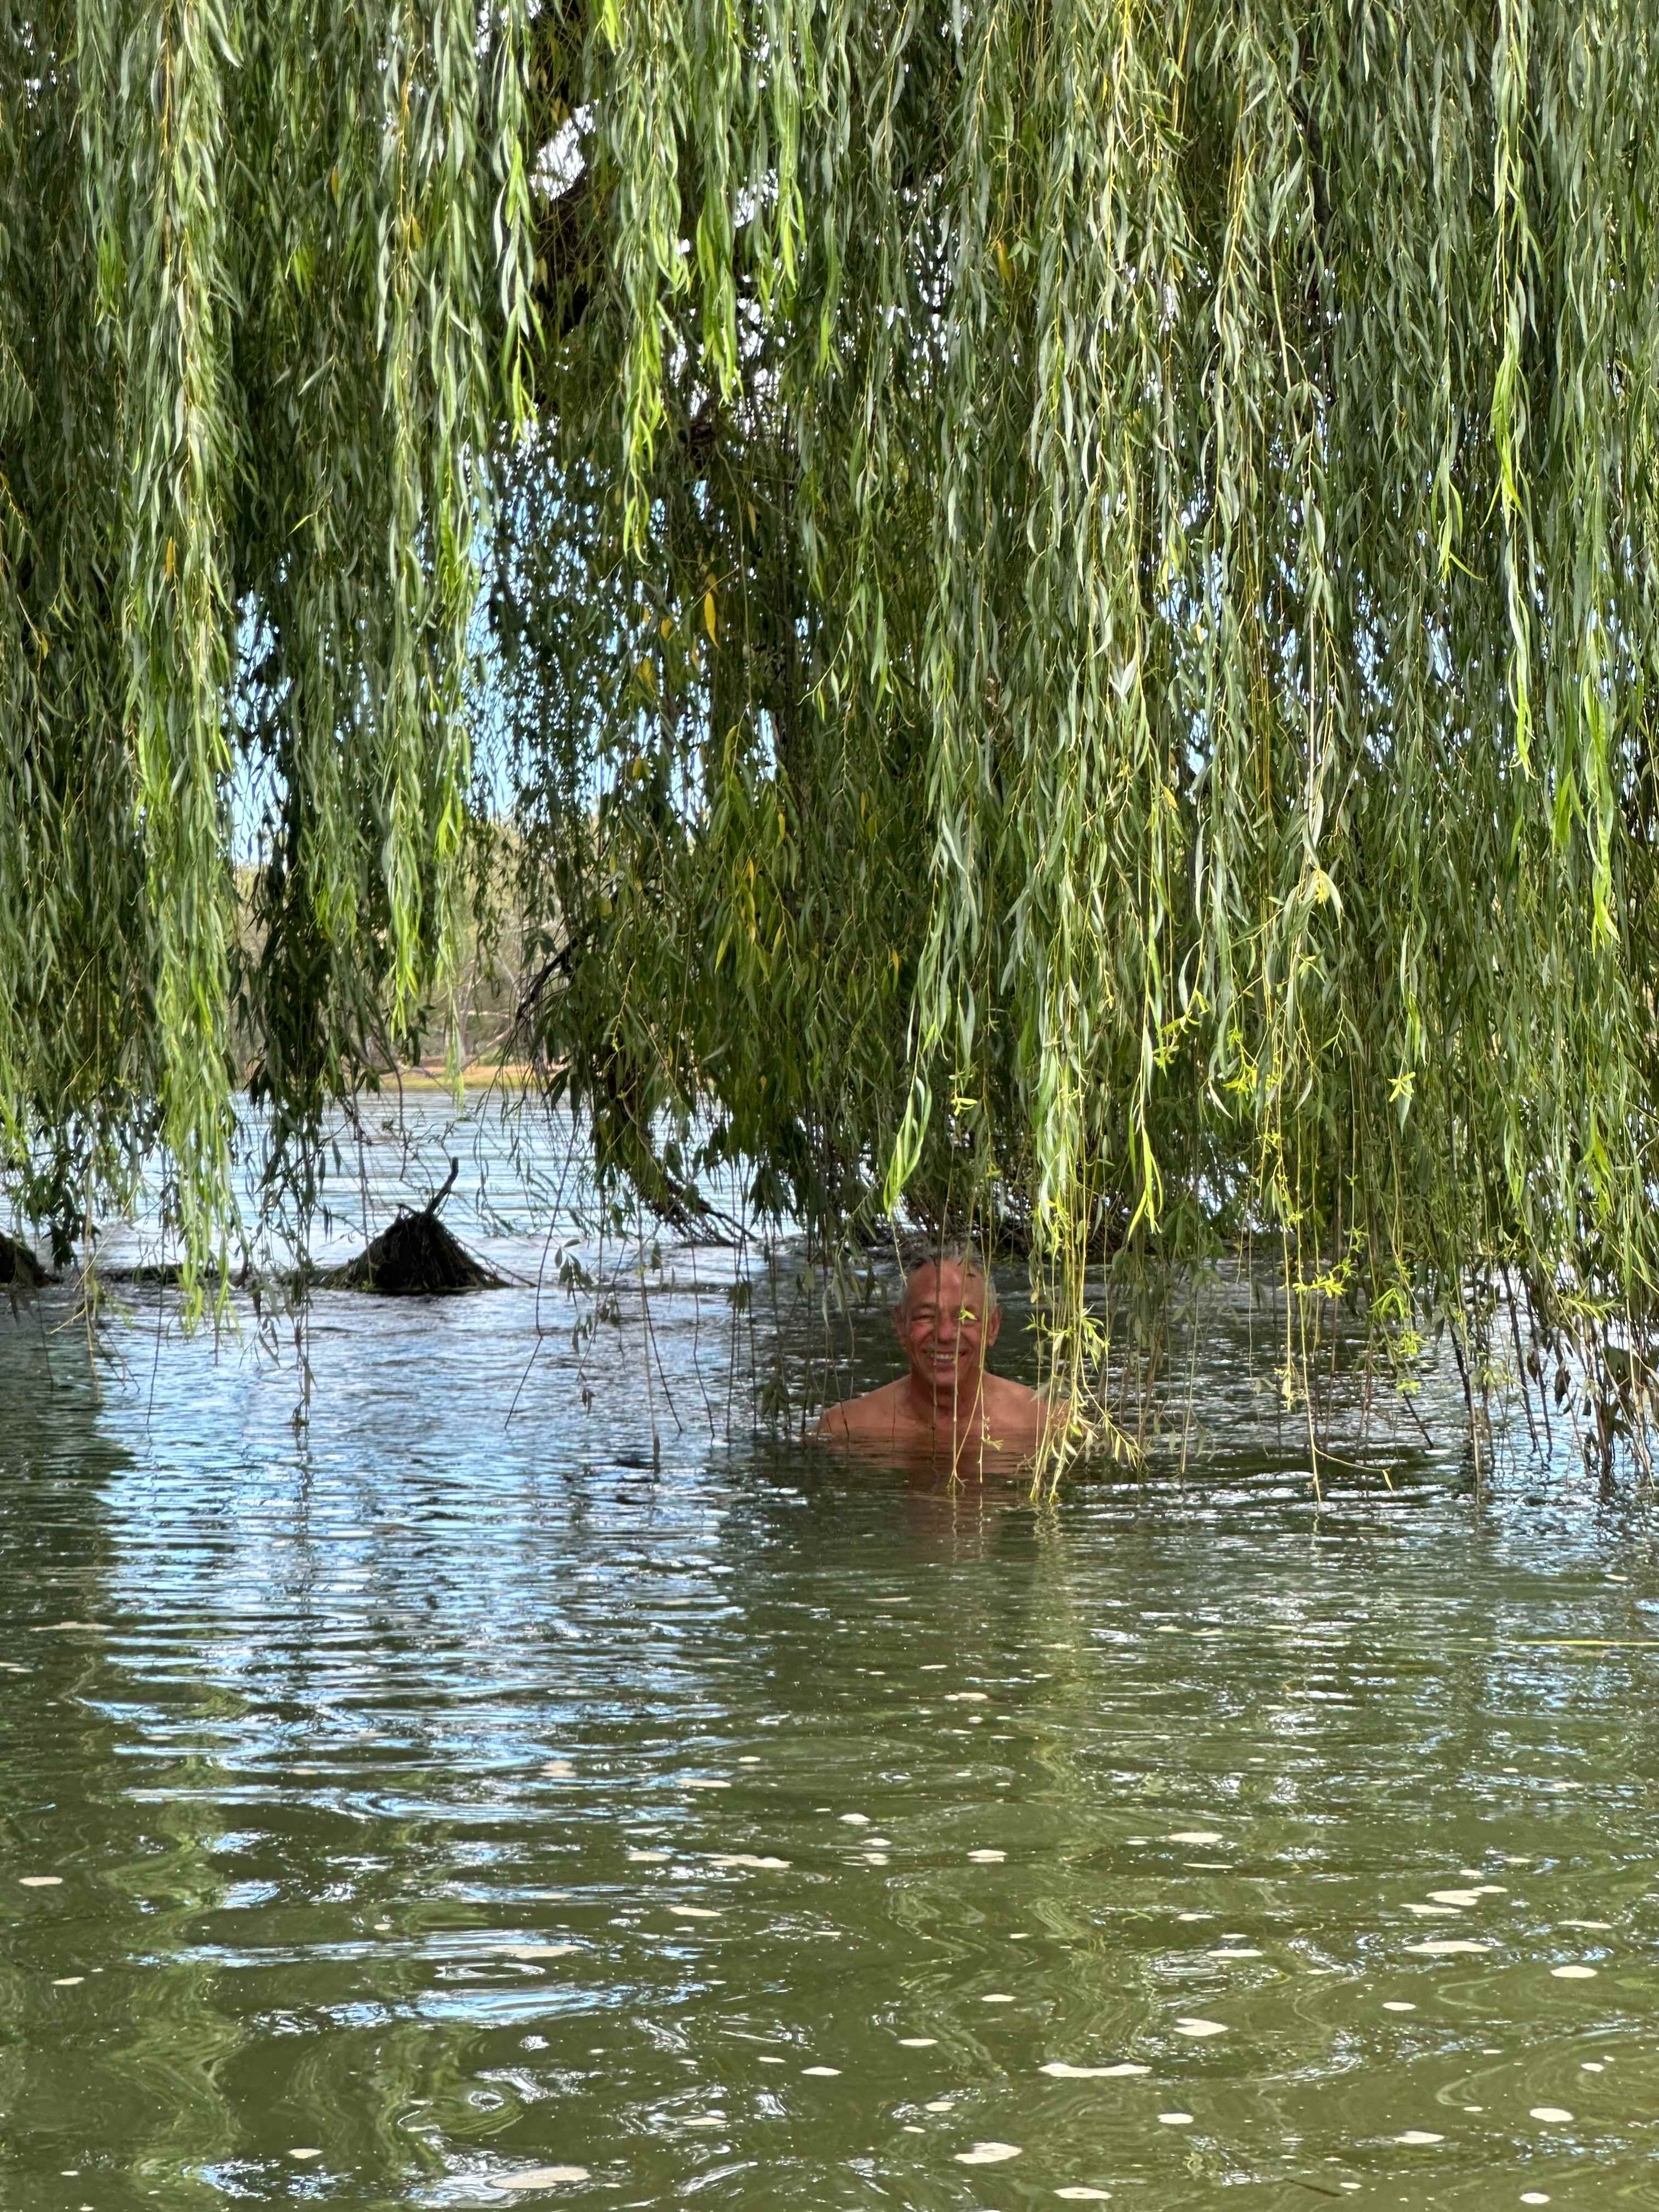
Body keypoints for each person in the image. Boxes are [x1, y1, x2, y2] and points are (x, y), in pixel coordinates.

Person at [815, 1246, 1057, 1472]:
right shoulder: (843, 1428)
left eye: (965, 1316)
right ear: (901, 1325)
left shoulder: (1050, 1424)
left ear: (992, 1326)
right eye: (926, 1317)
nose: (945, 1334)